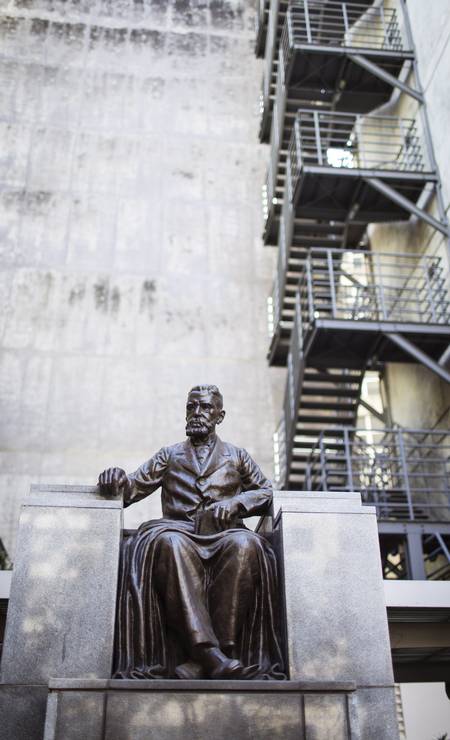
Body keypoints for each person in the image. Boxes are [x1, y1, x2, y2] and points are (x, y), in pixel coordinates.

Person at [98, 384, 285, 680]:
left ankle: (204, 660)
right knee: (170, 543)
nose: (197, 413)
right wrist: (116, 478)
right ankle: (211, 655)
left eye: (206, 407)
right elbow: (132, 488)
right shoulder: (169, 454)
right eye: (191, 407)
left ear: (219, 416)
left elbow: (266, 493)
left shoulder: (237, 456)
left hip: (225, 533)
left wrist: (238, 501)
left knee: (247, 545)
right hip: (179, 529)